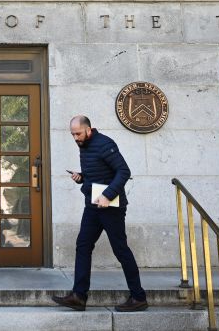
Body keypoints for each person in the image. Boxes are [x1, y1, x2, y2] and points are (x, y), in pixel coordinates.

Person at [51, 115, 148, 312]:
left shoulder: (105, 144)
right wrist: (81, 178)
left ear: (88, 129)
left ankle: (139, 297)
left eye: (78, 133)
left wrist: (107, 195)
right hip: (93, 205)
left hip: (111, 207)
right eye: (73, 134)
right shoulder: (85, 146)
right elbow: (99, 172)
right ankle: (79, 296)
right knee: (83, 245)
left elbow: (123, 171)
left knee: (121, 250)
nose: (75, 138)